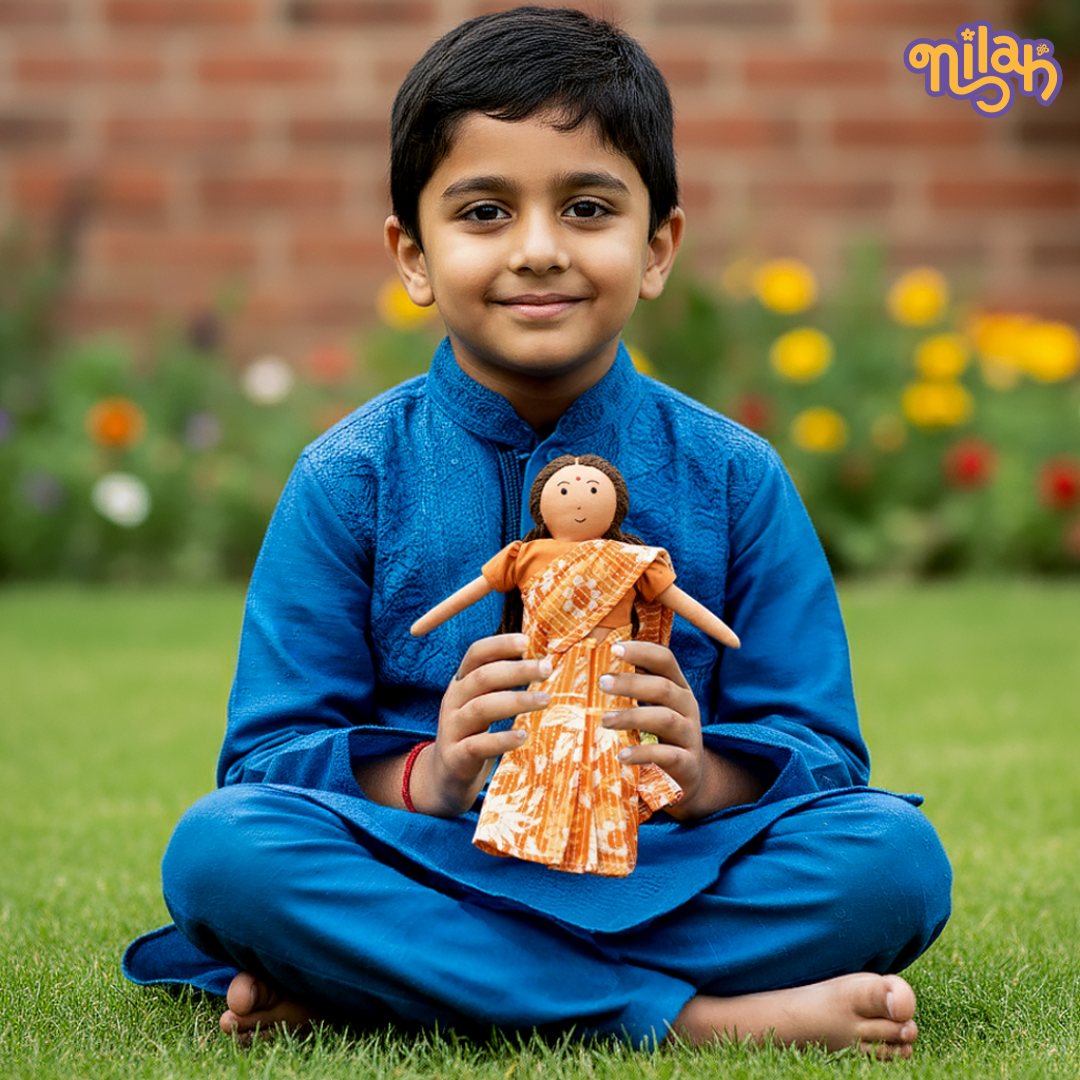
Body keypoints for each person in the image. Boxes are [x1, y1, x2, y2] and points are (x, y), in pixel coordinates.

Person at [123, 6, 951, 1058]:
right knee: (224, 853)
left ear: (657, 249)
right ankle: (688, 1021)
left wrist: (702, 777)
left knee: (892, 859)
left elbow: (823, 752)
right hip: (426, 857)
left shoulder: (736, 477)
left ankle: (396, 982)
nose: (540, 249)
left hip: (663, 865)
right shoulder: (348, 477)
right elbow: (267, 760)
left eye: (588, 206)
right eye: (483, 211)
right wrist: (428, 773)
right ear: (411, 255)